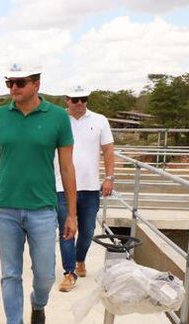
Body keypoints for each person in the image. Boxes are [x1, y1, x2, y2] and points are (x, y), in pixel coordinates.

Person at [0, 64, 76, 324]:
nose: (13, 88)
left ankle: (38, 302)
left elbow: (67, 167)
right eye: (9, 82)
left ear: (36, 84)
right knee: (10, 274)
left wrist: (71, 214)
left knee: (45, 273)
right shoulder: (0, 116)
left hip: (43, 208)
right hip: (5, 209)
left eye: (19, 82)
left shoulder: (57, 117)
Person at [55, 84, 115, 292]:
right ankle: (69, 272)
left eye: (83, 99)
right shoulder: (57, 119)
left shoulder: (100, 120)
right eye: (75, 99)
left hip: (90, 186)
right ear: (67, 100)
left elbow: (108, 150)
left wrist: (109, 177)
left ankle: (80, 259)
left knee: (87, 230)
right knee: (67, 230)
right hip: (61, 186)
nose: (79, 103)